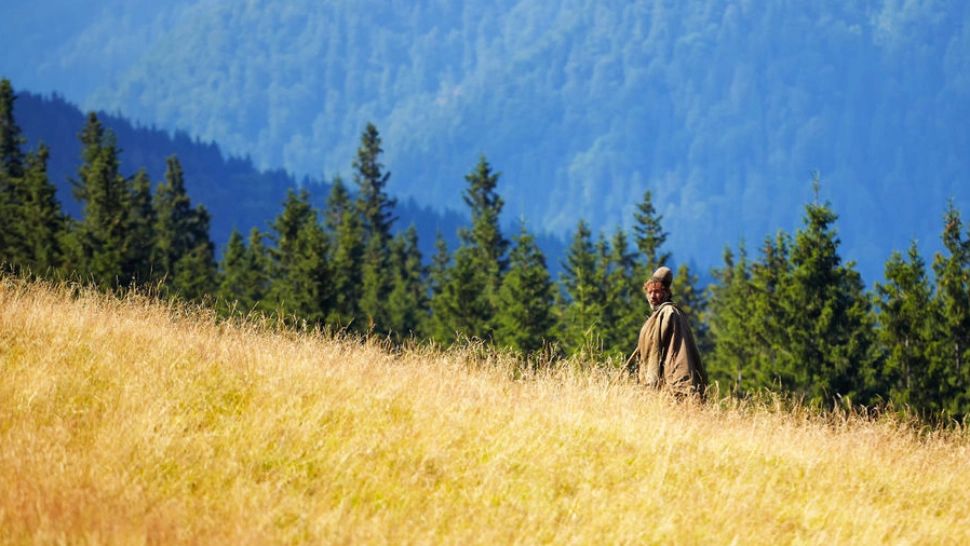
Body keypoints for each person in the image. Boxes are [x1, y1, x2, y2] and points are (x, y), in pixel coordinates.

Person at [625, 266, 708, 398]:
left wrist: (680, 387)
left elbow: (675, 353)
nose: (653, 296)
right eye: (649, 292)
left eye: (657, 292)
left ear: (667, 293)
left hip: (670, 387)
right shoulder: (657, 316)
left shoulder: (669, 313)